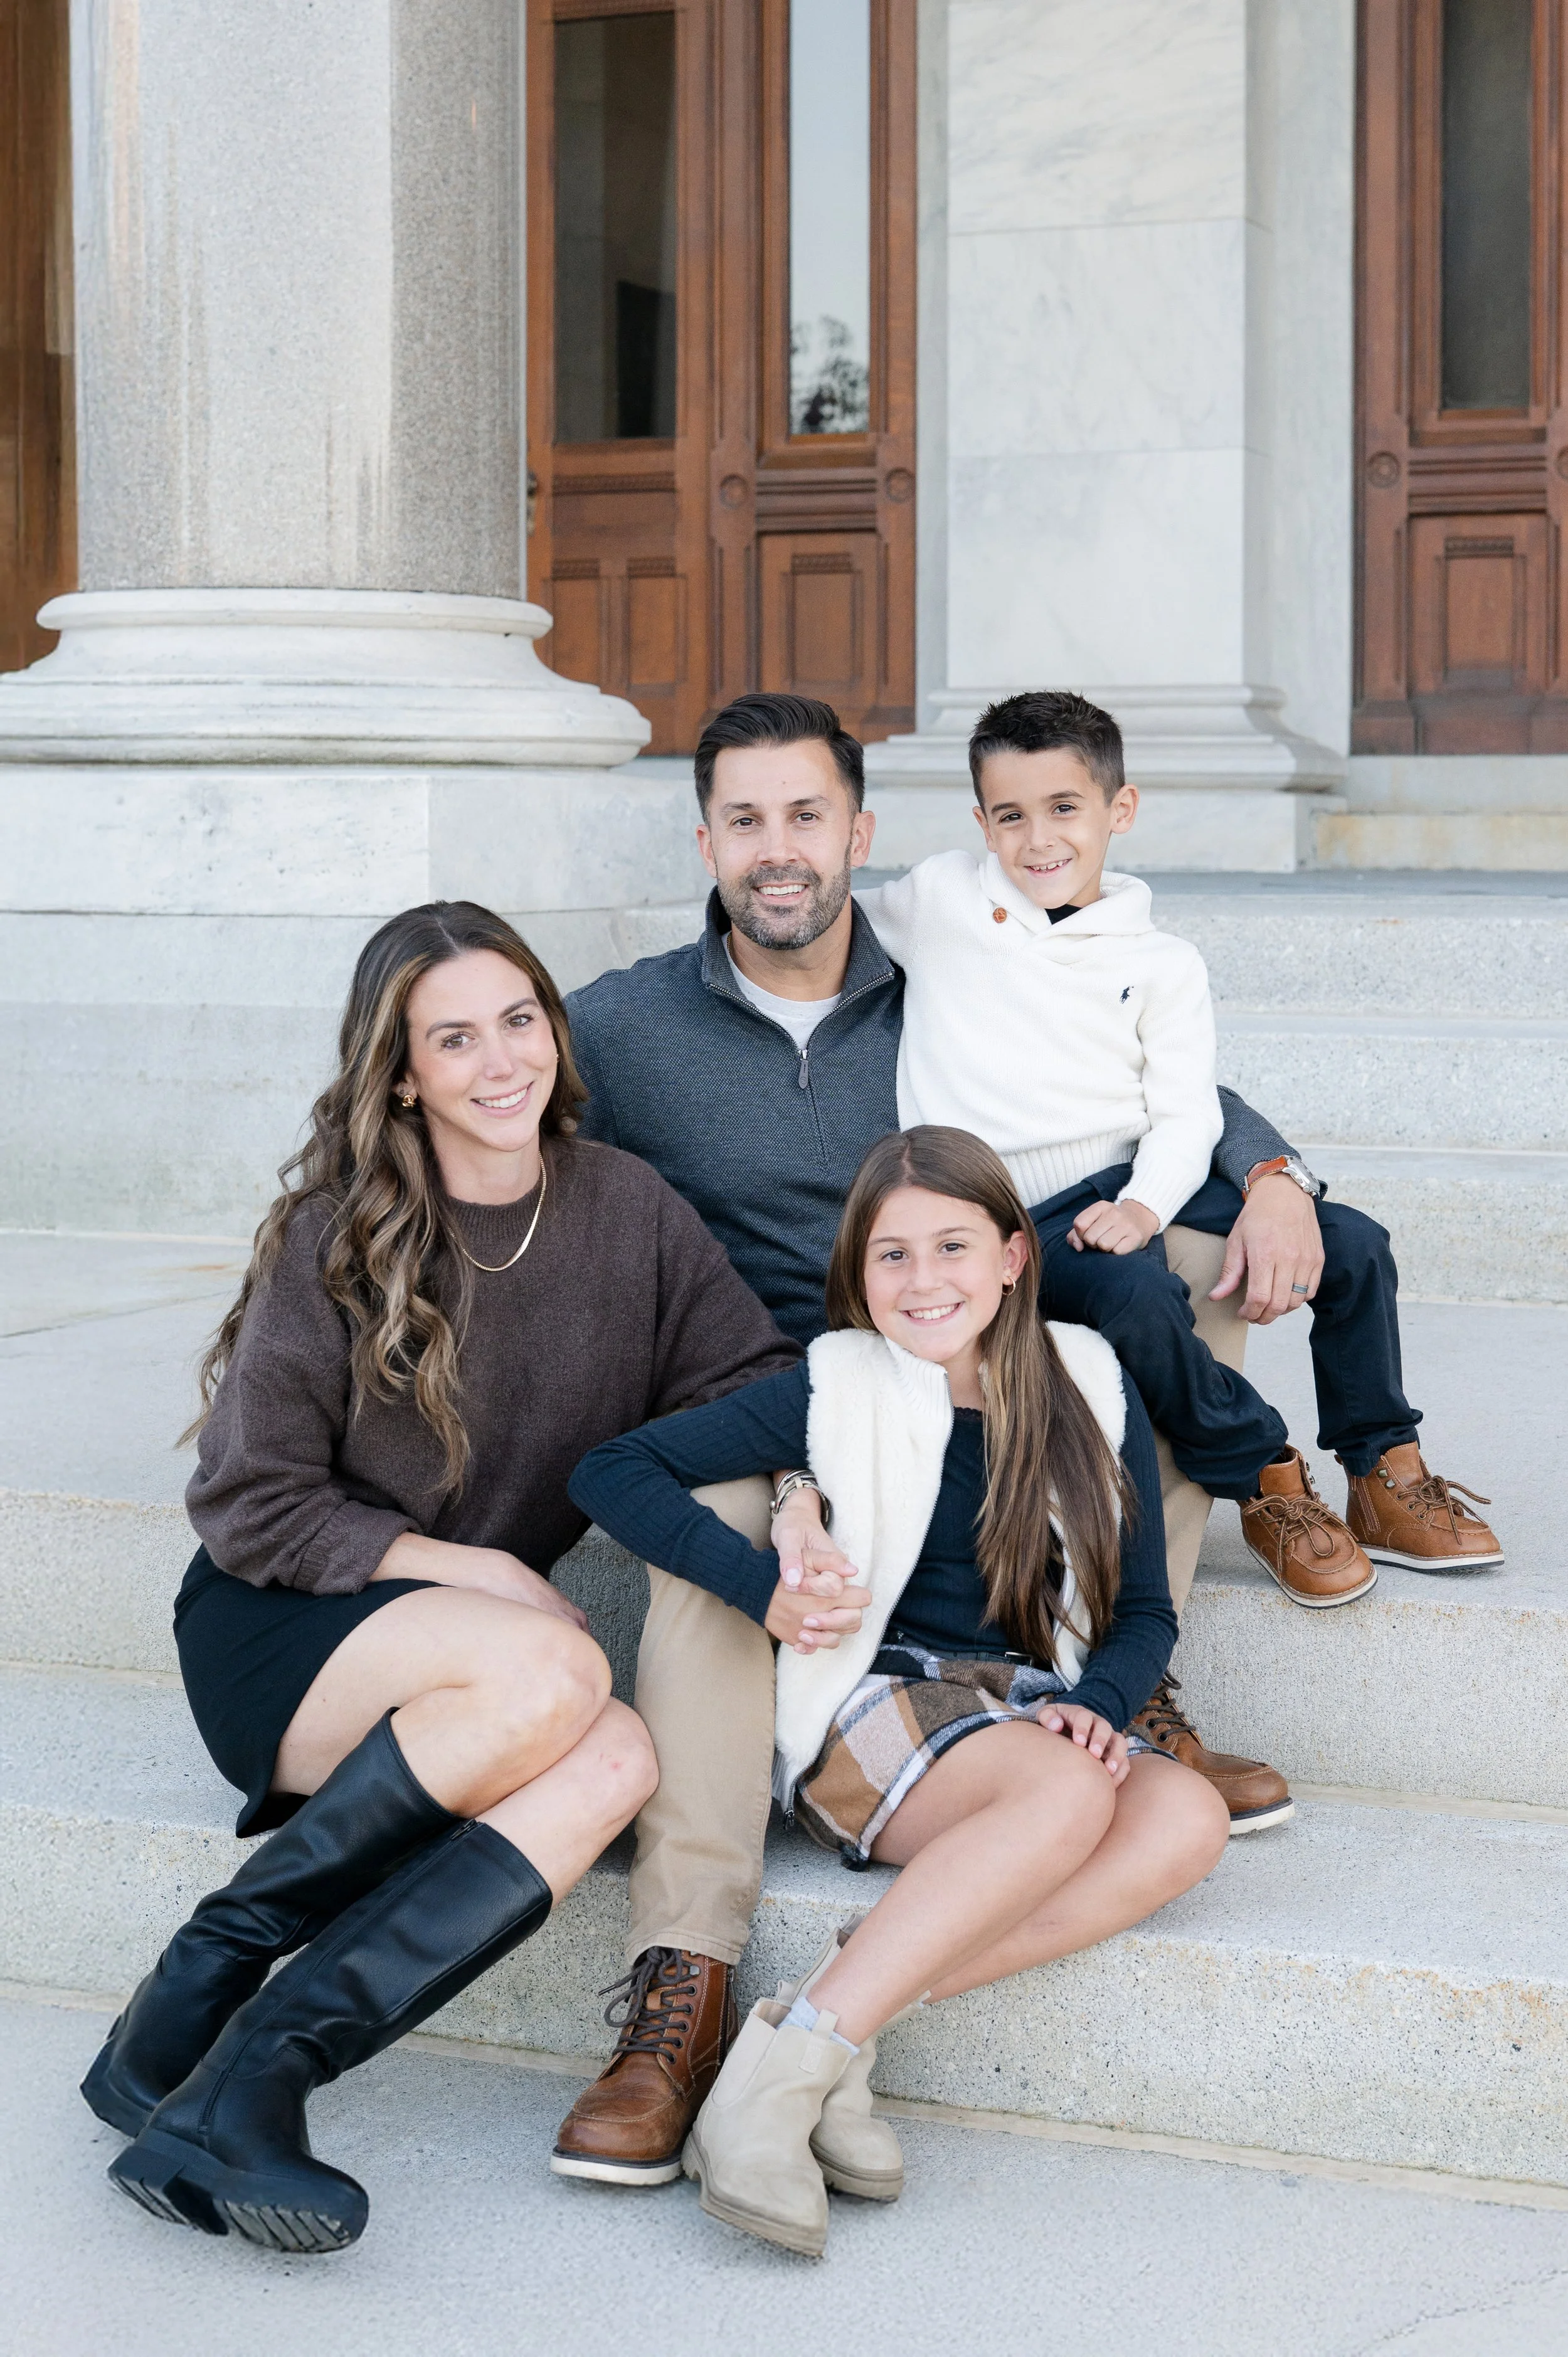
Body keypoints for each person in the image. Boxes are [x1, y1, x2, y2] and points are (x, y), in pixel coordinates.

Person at [550, 687, 1500, 2191]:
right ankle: (683, 1985)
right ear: (705, 838)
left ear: (863, 838)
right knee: (727, 1526)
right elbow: (484, 1129)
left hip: (969, 1357)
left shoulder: (949, 954)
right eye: (744, 818)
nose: (777, 849)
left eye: (808, 816)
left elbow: (1140, 1068)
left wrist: (1273, 1174)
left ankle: (1129, 1673)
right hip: (780, 1393)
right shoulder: (622, 1024)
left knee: (1151, 1294)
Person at [85, 899, 800, 2255]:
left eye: (518, 1021)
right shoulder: (337, 1232)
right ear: (400, 1071)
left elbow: (753, 1374)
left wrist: (799, 1496)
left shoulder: (623, 1210)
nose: (498, 1061)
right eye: (453, 1038)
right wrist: (469, 1570)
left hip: (480, 1667)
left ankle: (260, 2074)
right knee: (560, 1664)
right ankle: (210, 1961)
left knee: (622, 1762)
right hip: (284, 1627)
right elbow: (248, 1500)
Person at [572, 1126, 1230, 2255]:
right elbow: (610, 1470)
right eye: (891, 1256)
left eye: (952, 1247)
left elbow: (1145, 1615)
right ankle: (761, 2112)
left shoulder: (1086, 1378)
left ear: (1016, 1255)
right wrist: (761, 1588)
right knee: (1067, 1796)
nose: (923, 1282)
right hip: (869, 1711)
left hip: (1020, 1710)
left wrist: (1103, 1702)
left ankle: (828, 2035)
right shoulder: (838, 1383)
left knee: (1188, 1813)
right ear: (857, 1272)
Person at [858, 689, 1500, 1614]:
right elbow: (831, 917)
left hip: (1139, 1175)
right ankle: (1265, 1473)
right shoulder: (941, 898)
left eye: (1065, 807)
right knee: (1136, 1297)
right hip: (1010, 1210)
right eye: (1011, 815)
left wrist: (1149, 1206)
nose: (1038, 838)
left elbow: (1188, 1114)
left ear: (1120, 809)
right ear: (981, 822)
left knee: (1355, 1242)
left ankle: (1381, 1467)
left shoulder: (1164, 961)